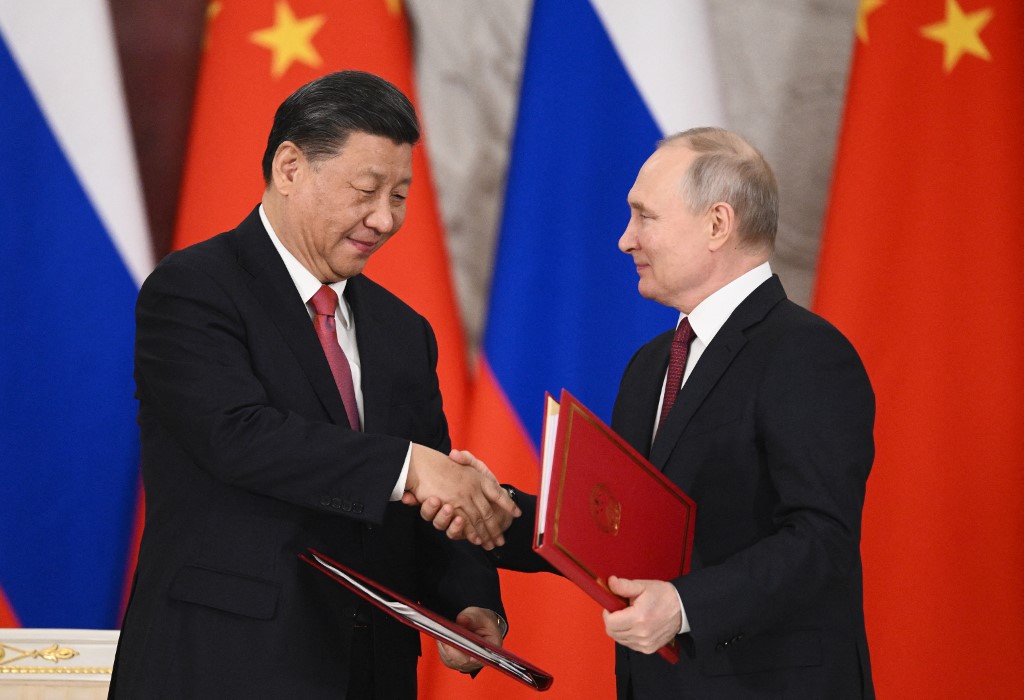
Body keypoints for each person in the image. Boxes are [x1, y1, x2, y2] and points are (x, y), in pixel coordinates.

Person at [109, 70, 520, 699]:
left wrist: (468, 599)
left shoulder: (403, 331)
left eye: (400, 195)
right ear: (290, 167)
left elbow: (427, 492)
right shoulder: (192, 289)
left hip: (371, 672)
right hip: (224, 667)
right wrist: (412, 467)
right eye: (366, 191)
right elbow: (238, 437)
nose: (384, 218)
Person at [425, 127, 876, 699]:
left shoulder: (806, 353)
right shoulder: (650, 364)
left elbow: (821, 540)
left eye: (645, 216)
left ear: (717, 224)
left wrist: (685, 606)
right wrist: (495, 511)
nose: (624, 240)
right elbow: (619, 529)